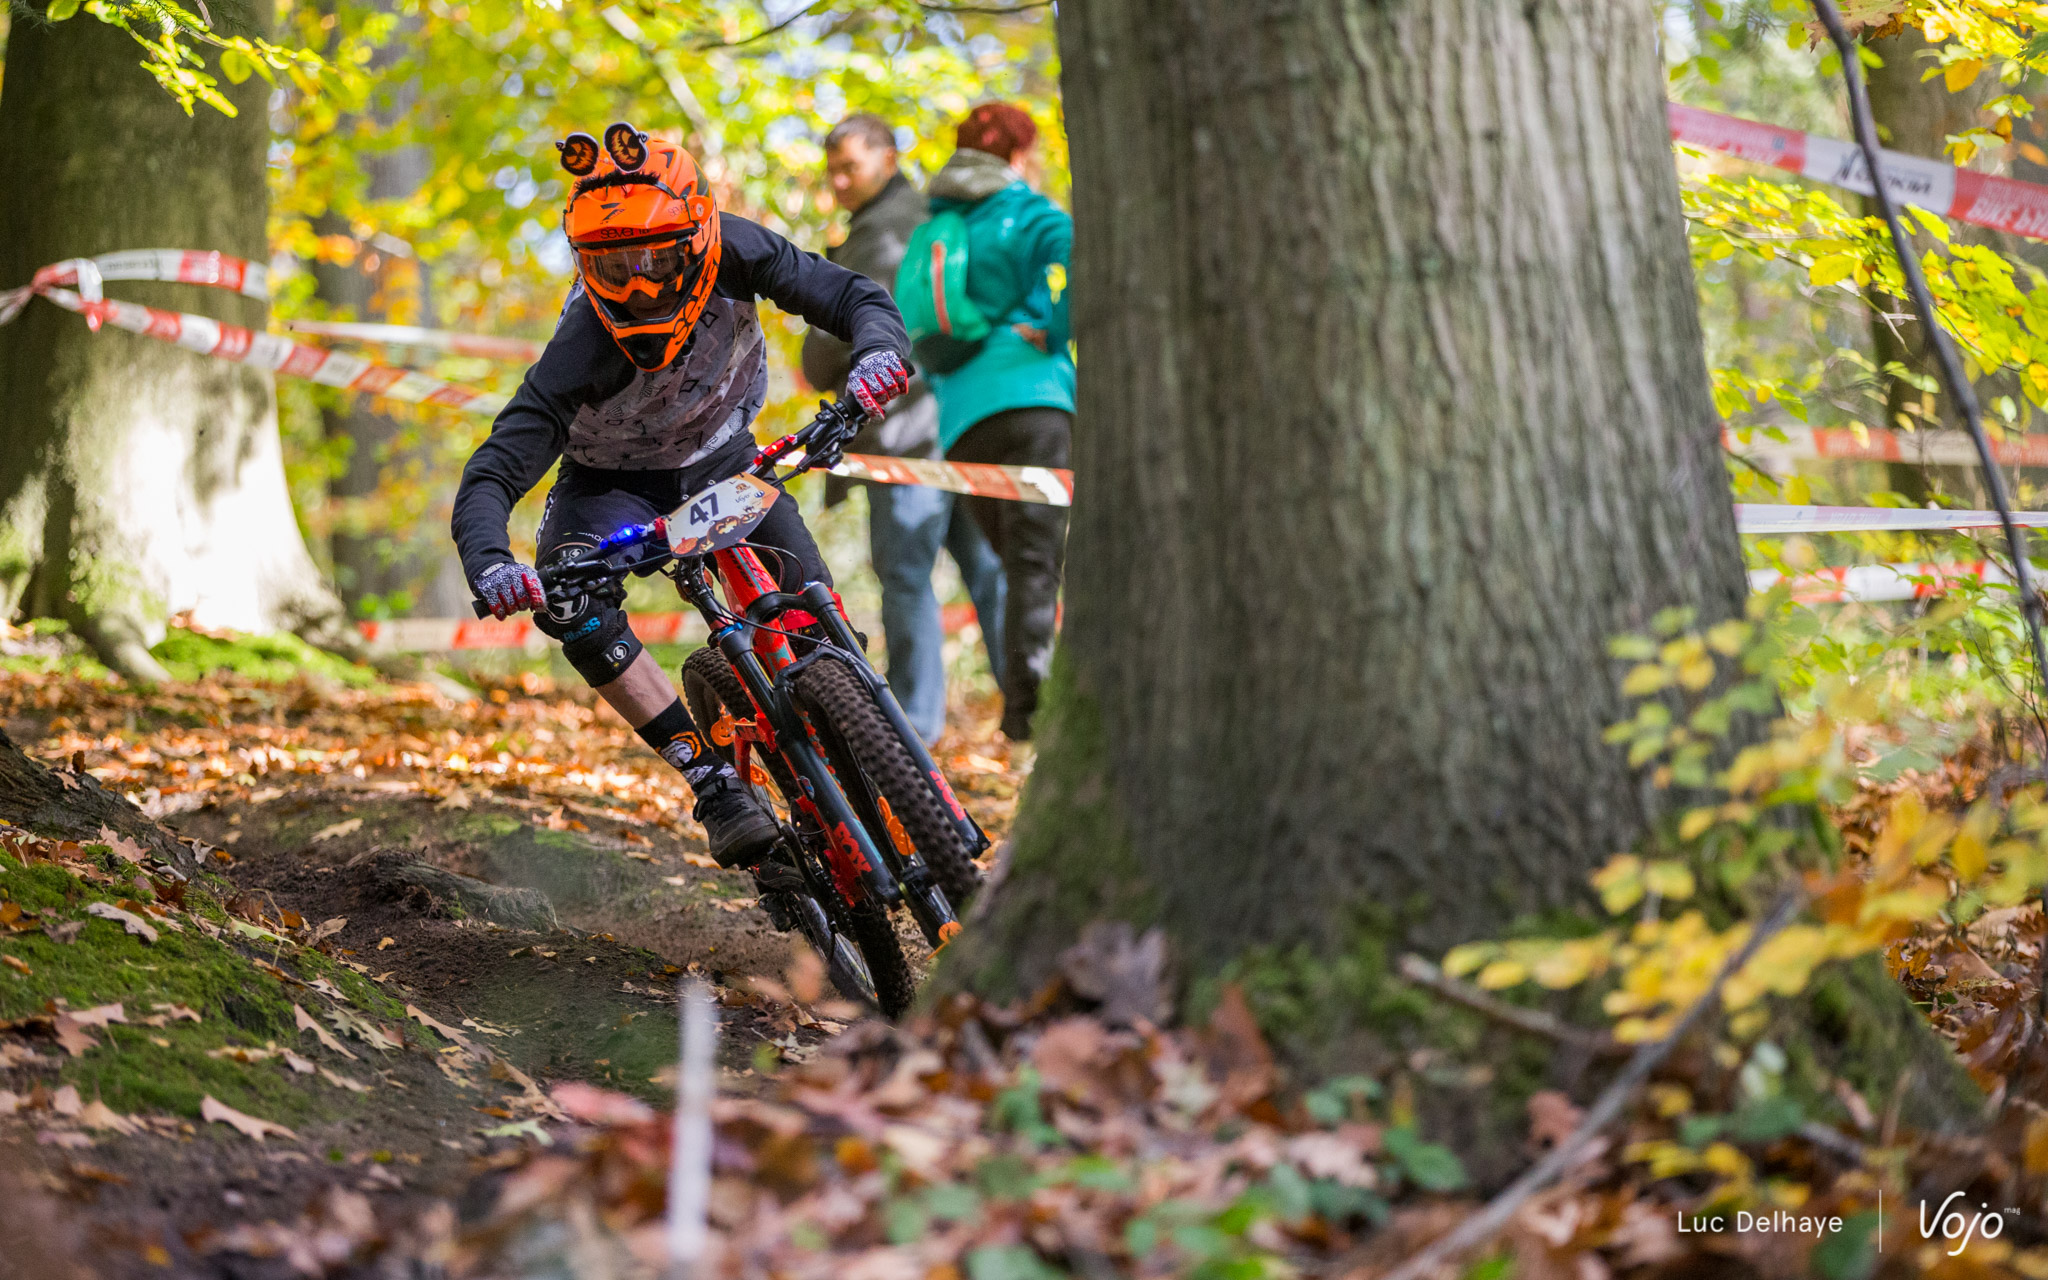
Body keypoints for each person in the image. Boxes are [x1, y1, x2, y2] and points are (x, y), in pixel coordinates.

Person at [451, 125, 911, 869]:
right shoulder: (581, 346)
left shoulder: (740, 248)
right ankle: (712, 783)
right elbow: (494, 472)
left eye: (654, 258)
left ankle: (875, 755)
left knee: (820, 628)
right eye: (612, 264)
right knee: (572, 607)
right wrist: (492, 564)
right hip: (611, 486)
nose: (635, 282)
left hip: (724, 459)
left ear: (697, 237)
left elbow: (852, 295)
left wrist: (880, 354)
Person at [800, 113, 1005, 747]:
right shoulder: (924, 220)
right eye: (831, 169)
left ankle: (913, 728)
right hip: (961, 425)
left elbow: (839, 342)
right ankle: (1033, 709)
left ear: (888, 157)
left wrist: (817, 348)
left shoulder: (884, 233)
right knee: (986, 569)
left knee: (908, 575)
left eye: (850, 166)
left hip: (907, 434)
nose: (838, 180)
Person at [921, 103, 1074, 741]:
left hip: (962, 422)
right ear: (1017, 154)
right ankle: (1032, 714)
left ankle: (1024, 709)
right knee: (1038, 563)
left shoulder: (941, 226)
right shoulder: (1027, 212)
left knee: (1018, 563)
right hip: (1034, 399)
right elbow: (1083, 264)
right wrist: (1056, 331)